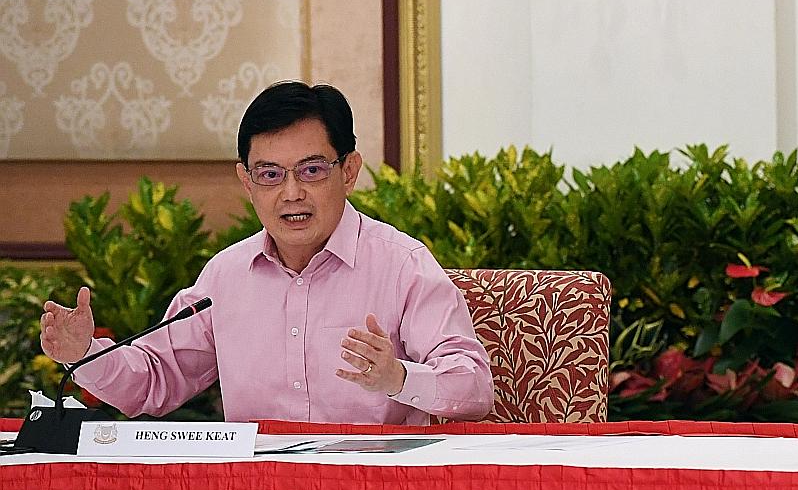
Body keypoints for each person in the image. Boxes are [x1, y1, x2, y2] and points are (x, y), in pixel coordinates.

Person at [38, 81, 493, 424]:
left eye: (312, 170)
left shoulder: (401, 265)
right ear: (246, 181)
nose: (291, 193)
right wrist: (83, 354)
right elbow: (156, 378)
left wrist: (398, 378)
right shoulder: (226, 276)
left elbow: (473, 389)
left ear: (349, 172)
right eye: (270, 174)